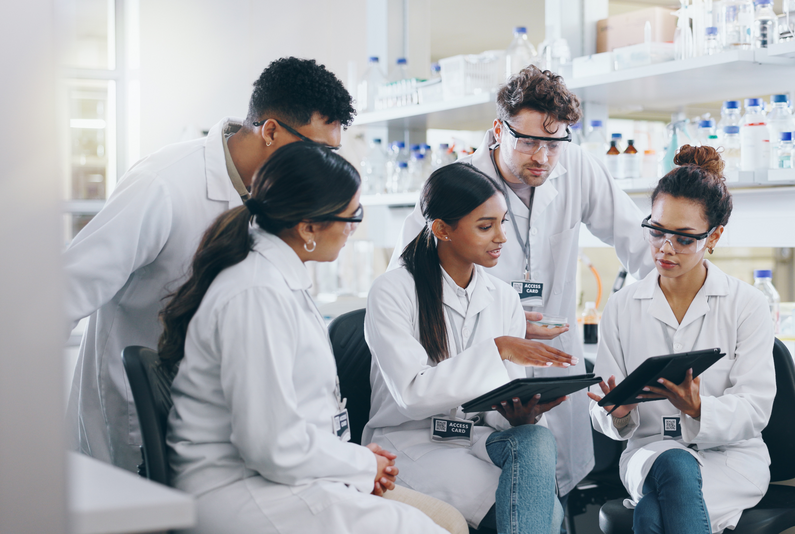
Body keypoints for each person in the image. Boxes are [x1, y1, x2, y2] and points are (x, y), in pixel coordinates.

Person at [65, 57, 353, 472]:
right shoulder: (162, 185)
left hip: (220, 426)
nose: (325, 166)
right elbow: (65, 293)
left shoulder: (280, 200)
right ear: (271, 131)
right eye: (318, 151)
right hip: (134, 416)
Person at [160, 142, 459, 534]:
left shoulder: (279, 279)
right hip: (239, 489)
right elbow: (270, 445)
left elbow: (296, 420)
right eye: (352, 216)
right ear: (308, 228)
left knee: (445, 523)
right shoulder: (257, 293)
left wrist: (352, 461)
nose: (354, 228)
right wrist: (360, 464)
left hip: (282, 475)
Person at [388, 65, 652, 503]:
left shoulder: (577, 168)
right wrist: (500, 324)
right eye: (528, 141)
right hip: (479, 368)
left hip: (554, 360)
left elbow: (641, 245)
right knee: (508, 492)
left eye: (554, 143)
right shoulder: (455, 186)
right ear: (498, 130)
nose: (542, 157)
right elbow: (412, 284)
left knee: (551, 488)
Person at [365, 163, 575, 532]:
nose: (501, 237)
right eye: (485, 226)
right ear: (442, 229)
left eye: (502, 222)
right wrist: (498, 349)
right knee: (541, 516)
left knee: (536, 438)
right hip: (415, 442)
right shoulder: (393, 291)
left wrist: (519, 415)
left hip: (477, 439)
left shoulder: (503, 298)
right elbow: (412, 396)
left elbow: (500, 403)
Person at [587, 145, 776, 534]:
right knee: (673, 465)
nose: (665, 249)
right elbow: (603, 405)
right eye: (656, 231)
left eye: (684, 239)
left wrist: (698, 408)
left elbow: (755, 409)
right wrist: (617, 413)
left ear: (714, 236)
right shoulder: (622, 306)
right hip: (650, 453)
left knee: (653, 511)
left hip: (729, 460)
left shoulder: (746, 304)